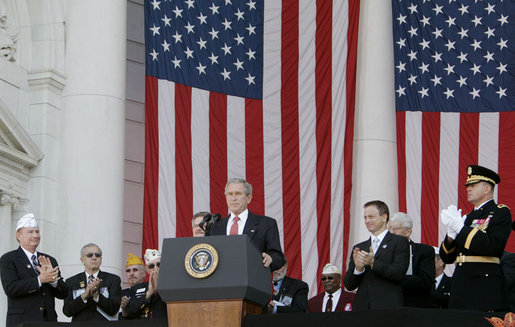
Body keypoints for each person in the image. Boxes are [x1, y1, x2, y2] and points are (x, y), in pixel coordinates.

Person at [439, 164, 511, 311]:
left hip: (483, 283)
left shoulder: (499, 212)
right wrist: (450, 236)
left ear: (487, 189)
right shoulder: (466, 218)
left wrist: (461, 228)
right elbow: (447, 258)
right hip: (461, 282)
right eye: (467, 185)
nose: (468, 188)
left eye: (473, 185)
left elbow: (491, 246)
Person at [0, 214, 68, 327]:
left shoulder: (49, 260)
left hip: (49, 322)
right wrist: (39, 280)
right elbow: (10, 288)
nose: (35, 235)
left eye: (37, 232)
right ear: (19, 235)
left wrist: (53, 281)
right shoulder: (9, 259)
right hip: (22, 322)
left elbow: (64, 293)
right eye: (30, 232)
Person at [343, 200, 410, 310]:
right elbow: (349, 285)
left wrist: (373, 263)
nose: (367, 221)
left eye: (371, 217)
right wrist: (358, 269)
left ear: (384, 217)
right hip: (363, 309)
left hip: (388, 308)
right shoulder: (360, 247)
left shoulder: (399, 242)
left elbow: (399, 273)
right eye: (365, 218)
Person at [209, 178, 285, 271]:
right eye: (230, 194)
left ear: (249, 198)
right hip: (222, 282)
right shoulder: (215, 227)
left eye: (238, 194)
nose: (233, 198)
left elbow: (278, 258)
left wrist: (270, 259)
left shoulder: (266, 224)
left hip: (253, 280)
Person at [63, 243, 121, 321]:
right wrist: (83, 296)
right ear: (82, 260)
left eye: (97, 255)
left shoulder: (113, 280)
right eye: (90, 255)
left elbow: (114, 309)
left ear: (101, 260)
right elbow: (67, 311)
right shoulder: (71, 282)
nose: (94, 257)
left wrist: (97, 296)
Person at [389, 212, 435, 307]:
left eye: (396, 228)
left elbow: (424, 281)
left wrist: (391, 279)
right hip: (388, 306)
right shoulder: (383, 251)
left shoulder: (424, 251)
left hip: (413, 307)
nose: (392, 232)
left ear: (408, 232)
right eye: (390, 228)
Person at [125, 249, 167, 320]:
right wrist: (148, 294)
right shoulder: (137, 288)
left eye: (159, 264)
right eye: (151, 266)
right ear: (147, 269)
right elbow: (129, 312)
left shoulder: (170, 286)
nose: (156, 268)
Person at [120, 253, 146, 319]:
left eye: (135, 270)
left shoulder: (150, 289)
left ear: (143, 274)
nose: (131, 273)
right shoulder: (121, 294)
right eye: (128, 271)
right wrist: (123, 309)